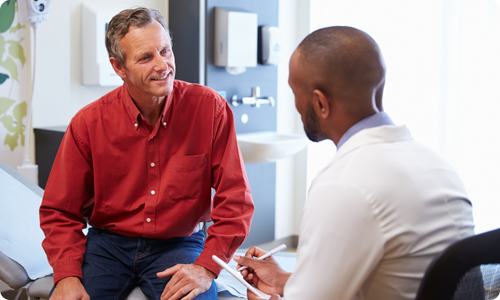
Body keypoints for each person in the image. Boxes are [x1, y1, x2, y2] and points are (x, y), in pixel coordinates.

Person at [234, 26, 475, 300]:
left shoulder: (342, 185)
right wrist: (285, 282)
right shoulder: (438, 166)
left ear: (320, 103)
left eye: (294, 92)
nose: (296, 105)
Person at [39, 7, 254, 300]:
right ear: (119, 67)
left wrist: (206, 268)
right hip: (108, 246)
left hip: (179, 243)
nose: (162, 65)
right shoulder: (88, 124)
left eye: (165, 51)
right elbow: (60, 211)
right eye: (145, 57)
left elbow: (236, 199)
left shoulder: (210, 109)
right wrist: (66, 276)